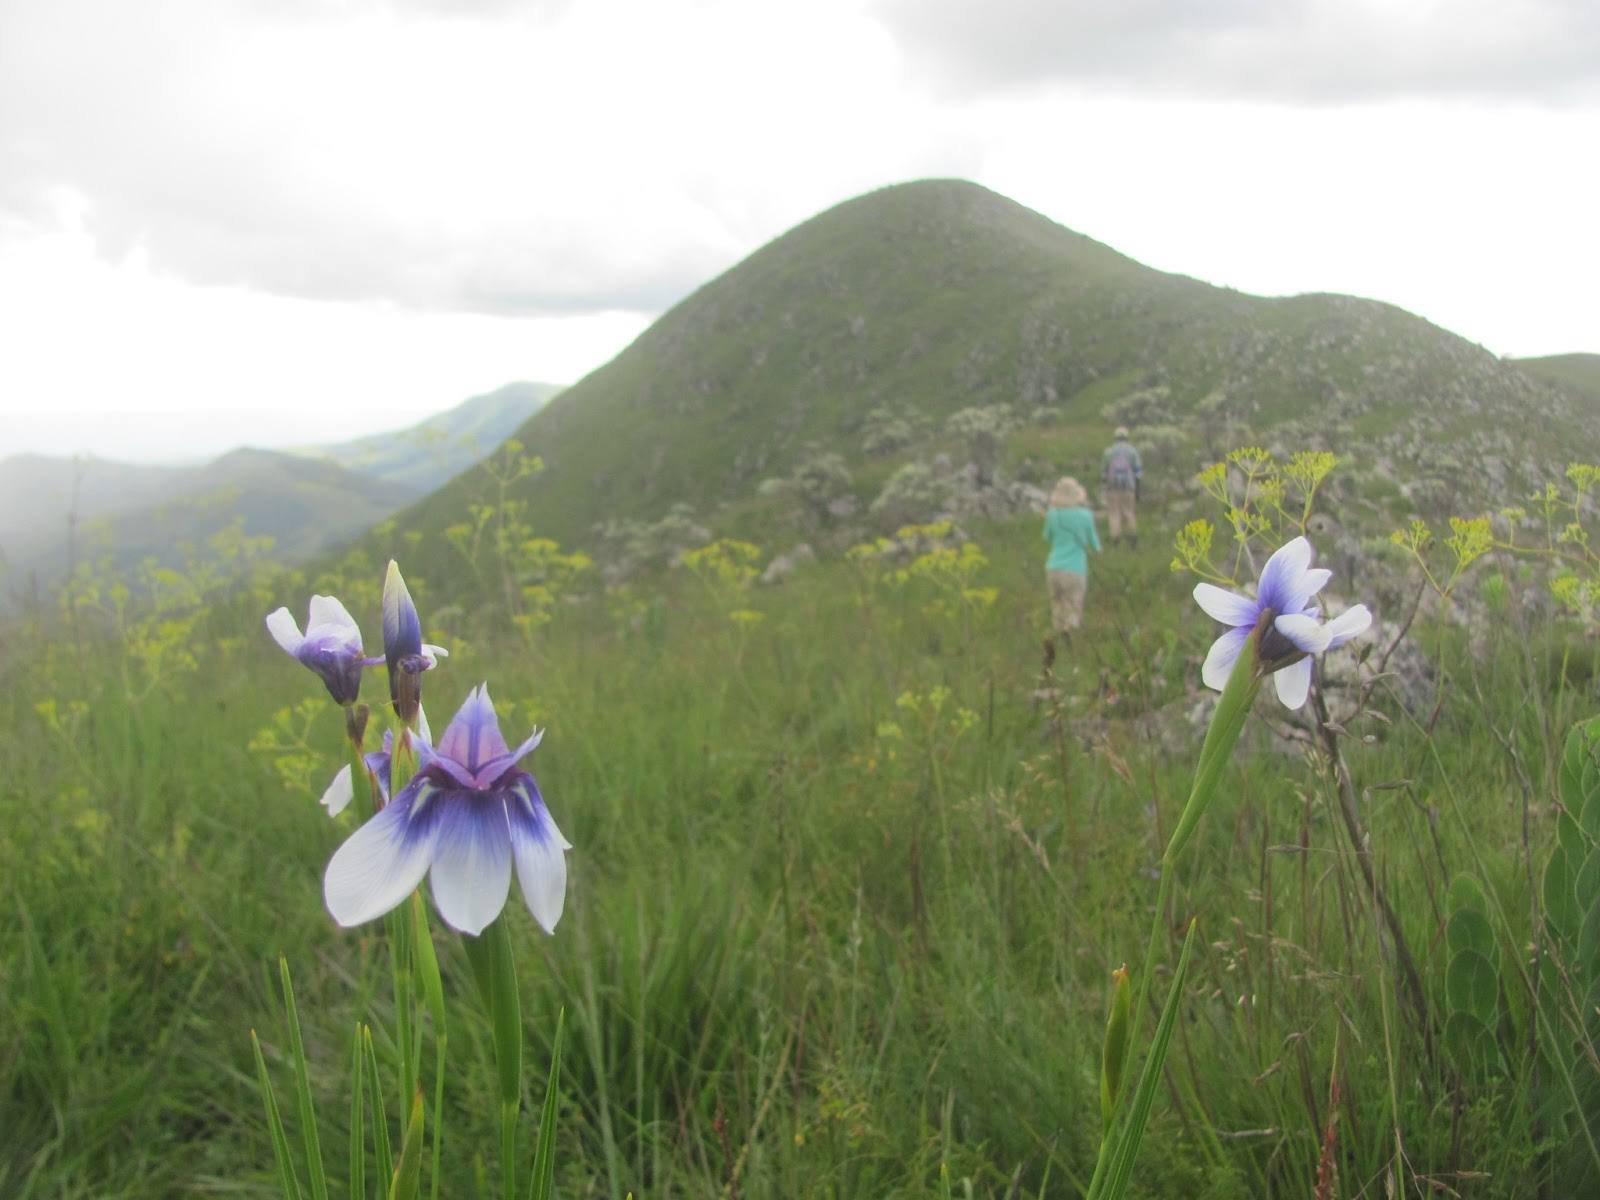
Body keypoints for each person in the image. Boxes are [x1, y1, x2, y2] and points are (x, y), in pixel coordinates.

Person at [1042, 476, 1101, 646]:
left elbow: (1046, 537)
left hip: (1053, 567)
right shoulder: (1086, 516)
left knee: (1057, 603)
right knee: (1074, 602)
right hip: (1076, 568)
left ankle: (1058, 633)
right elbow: (1095, 542)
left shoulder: (1052, 515)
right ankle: (1070, 631)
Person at [1101, 426, 1143, 546]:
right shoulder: (1132, 451)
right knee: (1129, 512)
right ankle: (1133, 538)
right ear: (1127, 437)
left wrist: (1105, 487)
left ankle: (1115, 538)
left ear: (1115, 438)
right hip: (1129, 487)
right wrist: (1137, 490)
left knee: (1114, 513)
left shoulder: (1108, 451)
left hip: (1113, 487)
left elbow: (1104, 472)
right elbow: (1138, 472)